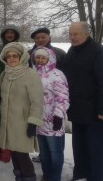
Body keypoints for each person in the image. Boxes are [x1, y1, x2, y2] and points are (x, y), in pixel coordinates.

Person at [62, 21, 103, 181]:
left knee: (96, 152)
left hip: (97, 115)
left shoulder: (99, 52)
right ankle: (79, 176)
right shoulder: (72, 51)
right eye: (70, 34)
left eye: (76, 34)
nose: (72, 37)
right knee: (79, 150)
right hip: (78, 112)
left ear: (86, 33)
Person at [0, 42, 43, 181]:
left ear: (22, 57)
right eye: (9, 56)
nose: (11, 59)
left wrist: (33, 123)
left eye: (15, 56)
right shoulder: (4, 74)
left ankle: (29, 177)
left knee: (22, 154)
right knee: (13, 152)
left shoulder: (30, 75)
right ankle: (19, 177)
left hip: (23, 122)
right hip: (7, 121)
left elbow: (37, 101)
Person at [32, 47, 69, 181]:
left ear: (50, 59)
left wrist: (58, 115)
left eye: (43, 58)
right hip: (38, 120)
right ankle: (46, 175)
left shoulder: (57, 75)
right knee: (44, 153)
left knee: (55, 152)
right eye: (38, 57)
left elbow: (63, 98)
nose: (40, 60)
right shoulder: (32, 73)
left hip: (53, 120)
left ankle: (54, 177)